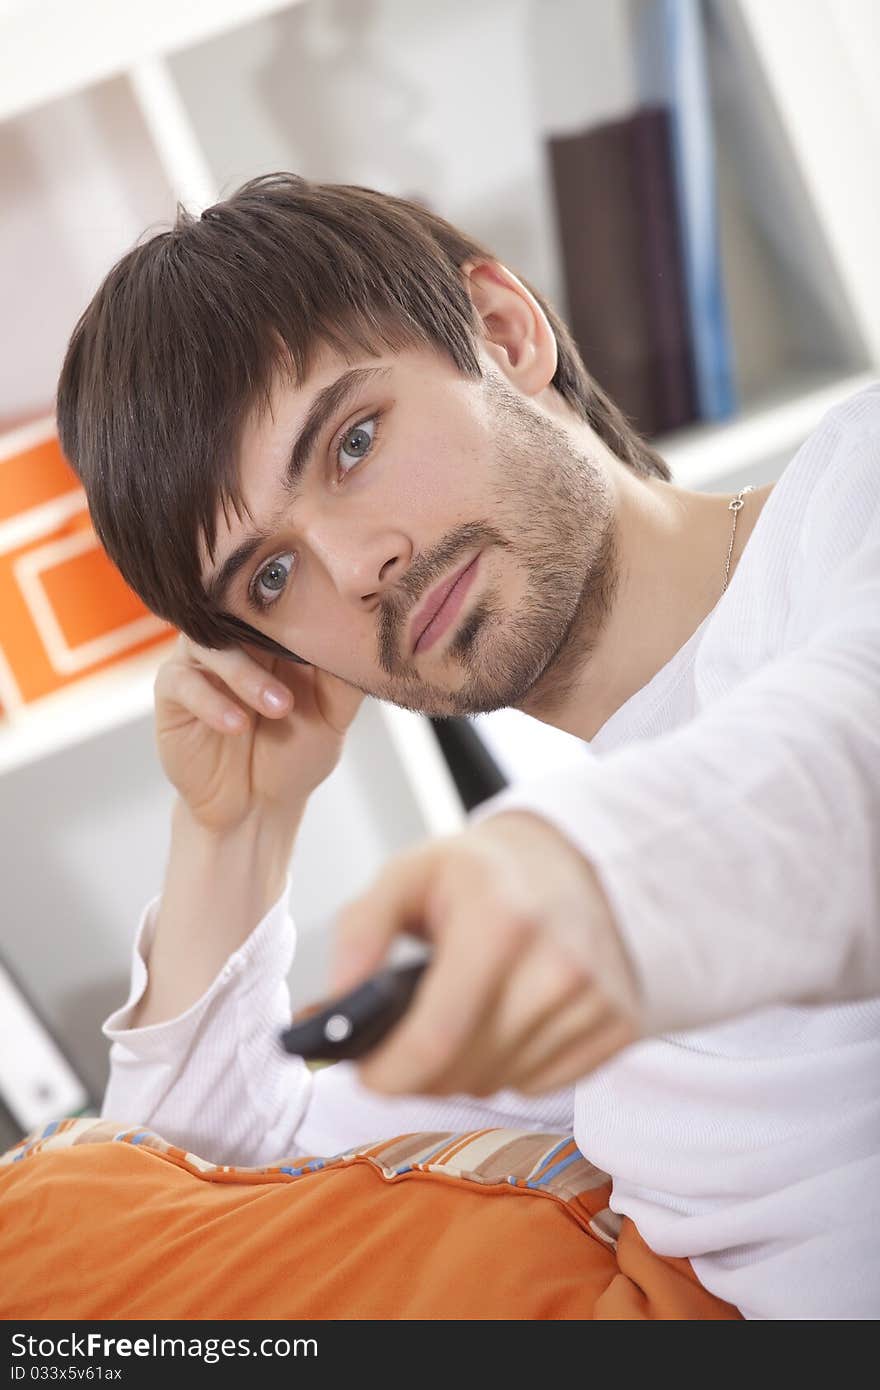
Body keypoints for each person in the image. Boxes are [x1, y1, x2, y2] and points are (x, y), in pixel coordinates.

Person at [55, 174, 879, 1321]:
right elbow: (194, 1204)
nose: (355, 567)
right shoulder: (538, 934)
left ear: (503, 330)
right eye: (272, 577)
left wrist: (583, 880)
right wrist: (234, 829)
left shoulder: (854, 498)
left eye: (351, 442)